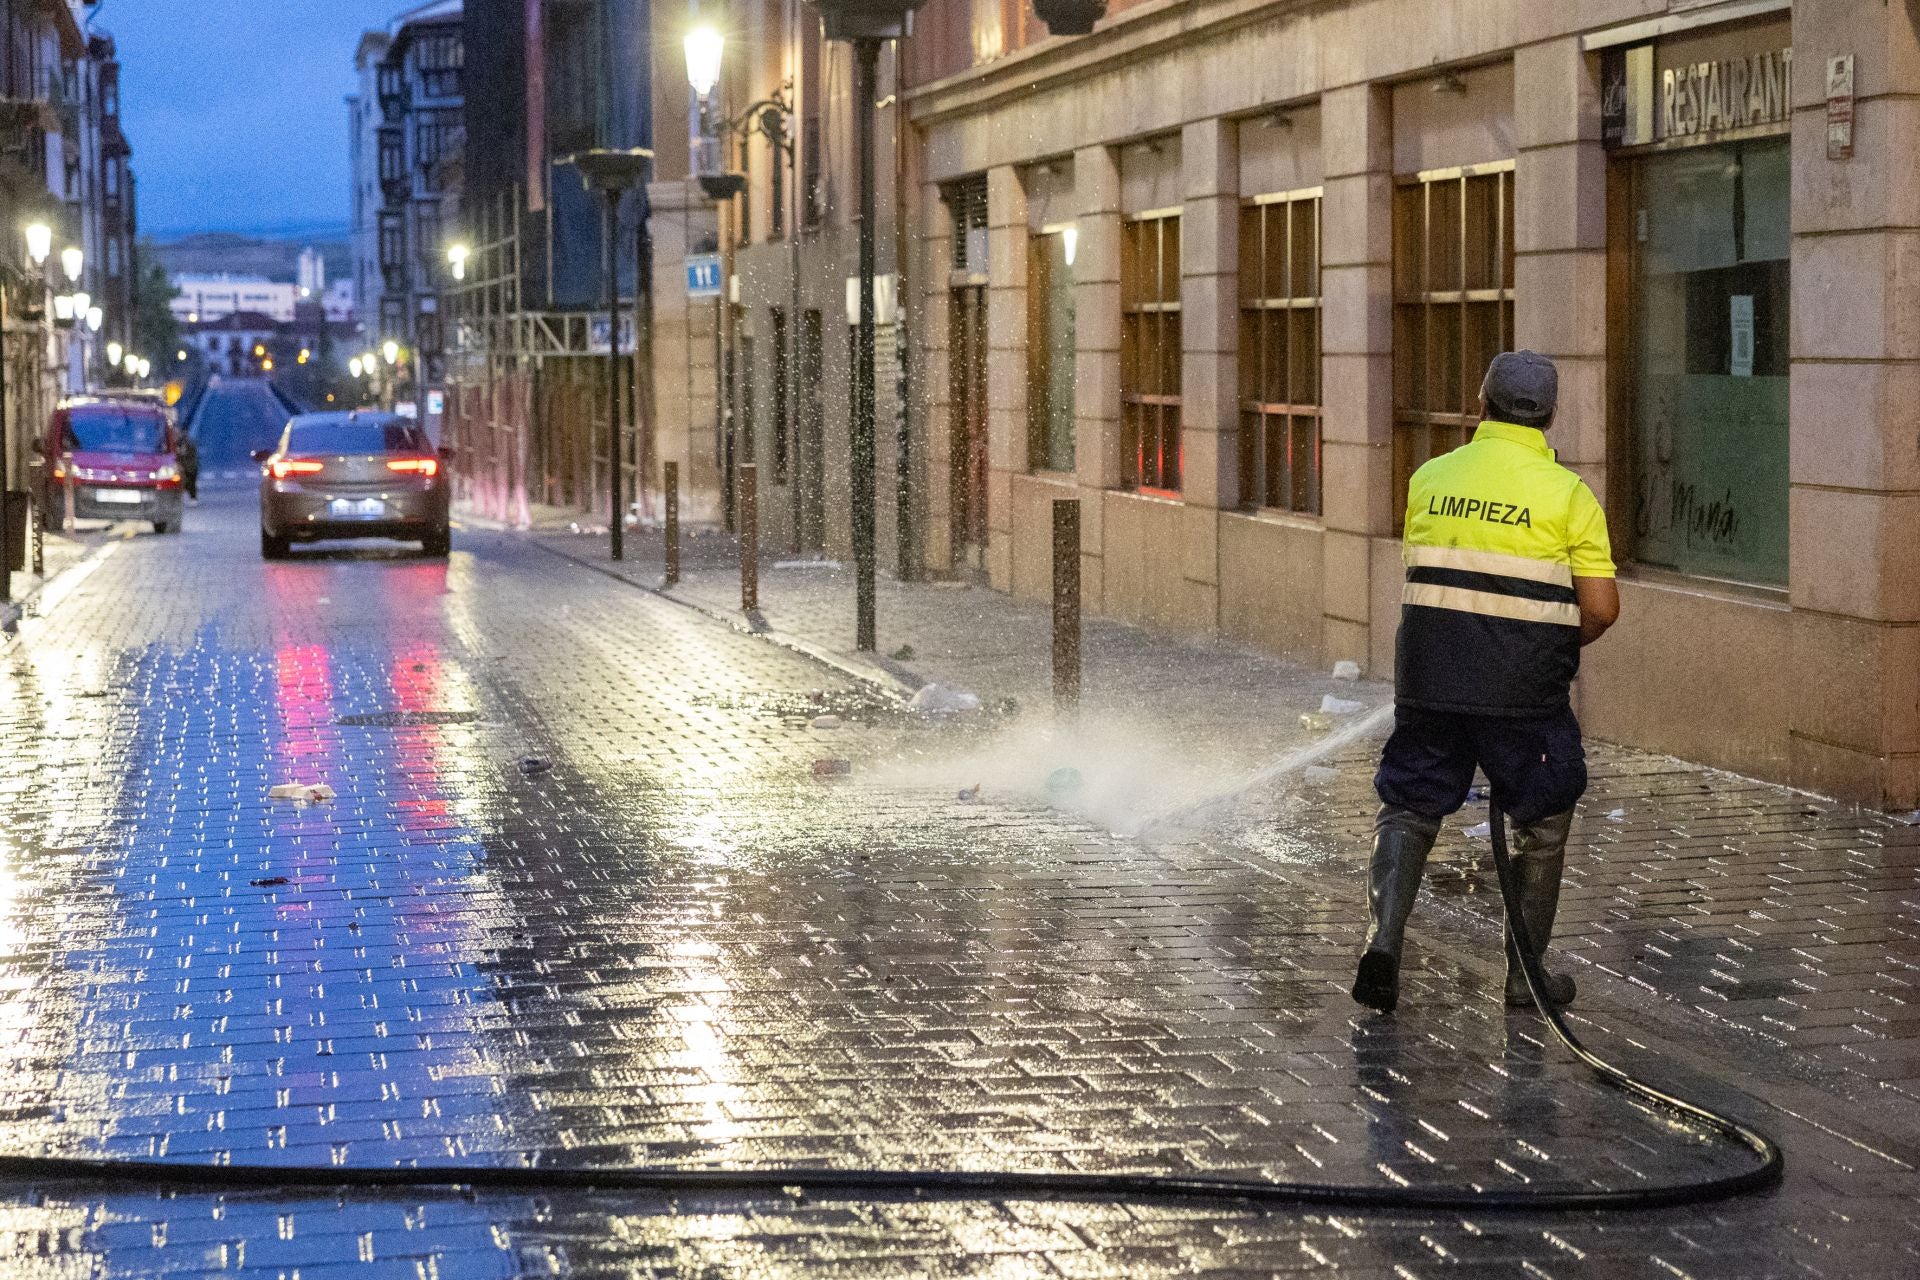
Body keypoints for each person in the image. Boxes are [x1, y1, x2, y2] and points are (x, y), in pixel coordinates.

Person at [1352, 350, 1619, 1015]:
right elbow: (1602, 608)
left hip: (1430, 678)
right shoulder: (1569, 497)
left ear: (1481, 403)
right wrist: (1544, 647)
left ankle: (1383, 942)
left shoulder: (1430, 479)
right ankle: (1524, 976)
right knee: (1544, 816)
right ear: (1550, 417)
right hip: (1523, 693)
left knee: (1409, 803)